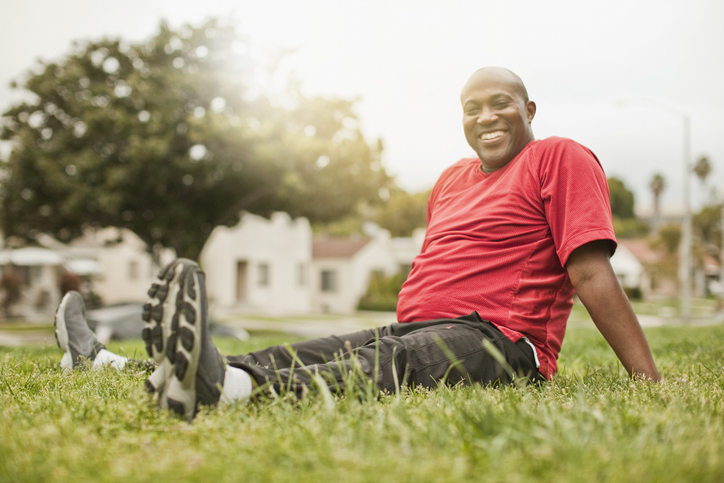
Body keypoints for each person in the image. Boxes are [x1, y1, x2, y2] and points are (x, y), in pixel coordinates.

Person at [53, 67, 660, 422]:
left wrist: (647, 382)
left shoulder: (560, 156)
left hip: (500, 341)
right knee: (314, 349)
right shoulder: (451, 178)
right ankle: (119, 364)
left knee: (385, 368)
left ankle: (225, 391)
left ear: (528, 109)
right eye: (471, 108)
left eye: (500, 104)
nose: (486, 117)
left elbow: (589, 273)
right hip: (421, 327)